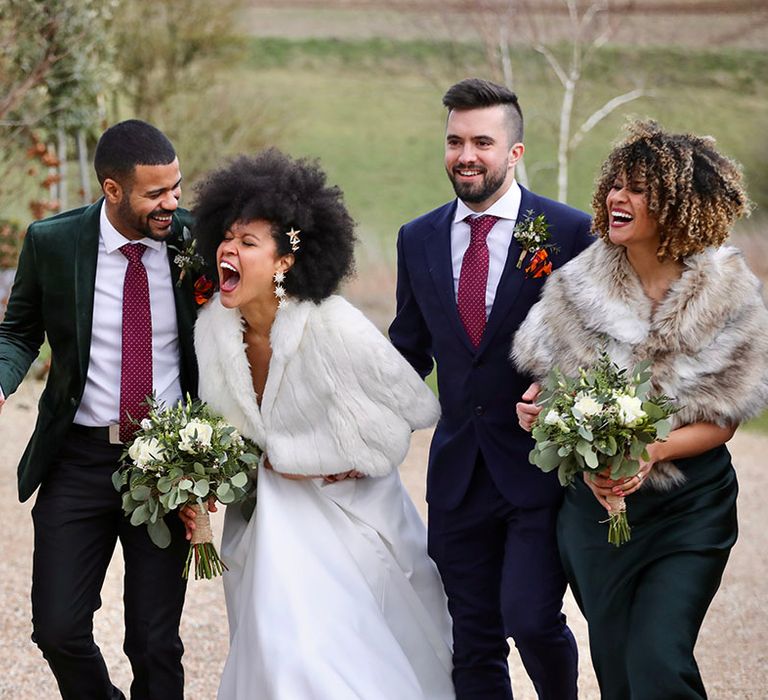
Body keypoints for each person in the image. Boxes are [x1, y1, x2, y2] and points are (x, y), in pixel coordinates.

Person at [181, 148, 454, 699]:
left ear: (284, 261)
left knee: (313, 653)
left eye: (249, 242)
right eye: (226, 237)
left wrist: (326, 459)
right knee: (272, 645)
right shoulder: (212, 329)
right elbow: (227, 432)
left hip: (346, 511)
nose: (228, 250)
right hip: (264, 516)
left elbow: (412, 411)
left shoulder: (333, 326)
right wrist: (203, 477)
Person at [512, 120, 768, 699]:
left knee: (658, 660)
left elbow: (726, 415)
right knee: (620, 673)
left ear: (679, 205)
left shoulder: (729, 293)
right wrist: (539, 411)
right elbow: (550, 389)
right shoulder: (575, 287)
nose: (617, 199)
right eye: (616, 185)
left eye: (638, 189)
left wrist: (652, 450)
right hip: (596, 517)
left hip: (689, 509)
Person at [388, 77, 593, 699]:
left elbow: (593, 347)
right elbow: (407, 350)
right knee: (472, 637)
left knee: (531, 619)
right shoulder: (416, 237)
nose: (466, 155)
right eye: (454, 141)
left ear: (515, 152)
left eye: (482, 140)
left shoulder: (569, 232)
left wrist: (560, 392)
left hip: (536, 470)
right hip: (457, 476)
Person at [0, 120, 199, 699]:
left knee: (156, 643)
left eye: (177, 187)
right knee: (57, 629)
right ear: (112, 190)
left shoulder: (196, 240)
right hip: (78, 457)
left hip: (166, 464)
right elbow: (18, 332)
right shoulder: (52, 242)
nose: (171, 203)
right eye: (155, 194)